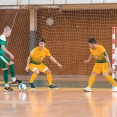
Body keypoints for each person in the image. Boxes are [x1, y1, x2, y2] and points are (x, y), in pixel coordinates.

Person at [0, 26, 22, 91]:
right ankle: (14, 80)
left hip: (1, 56)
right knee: (11, 64)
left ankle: (7, 86)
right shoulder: (2, 37)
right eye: (9, 33)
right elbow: (2, 48)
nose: (10, 34)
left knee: (5, 69)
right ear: (6, 32)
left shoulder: (2, 37)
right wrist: (10, 54)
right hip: (0, 56)